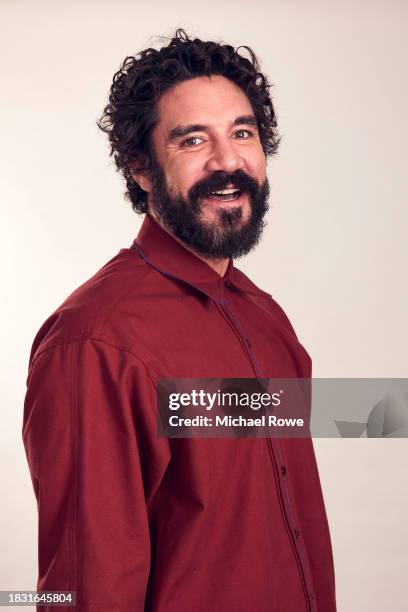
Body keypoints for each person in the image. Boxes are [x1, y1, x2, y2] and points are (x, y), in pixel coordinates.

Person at [22, 29, 337, 611]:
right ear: (142, 169)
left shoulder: (267, 319)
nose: (227, 161)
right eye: (193, 140)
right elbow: (87, 586)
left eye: (242, 133)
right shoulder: (95, 342)